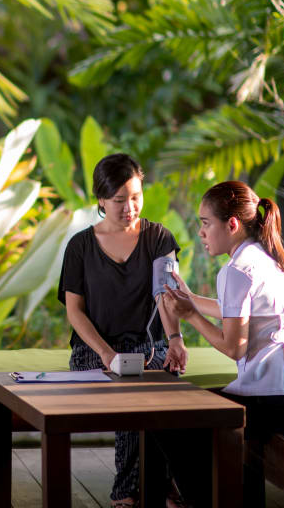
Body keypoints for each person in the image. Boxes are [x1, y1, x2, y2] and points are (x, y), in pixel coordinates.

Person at [161, 180, 284, 507]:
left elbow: (235, 347)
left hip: (273, 401)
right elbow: (240, 312)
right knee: (195, 412)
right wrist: (190, 299)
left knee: (169, 418)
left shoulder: (236, 270)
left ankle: (200, 501)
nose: (201, 232)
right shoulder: (272, 258)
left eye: (206, 224)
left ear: (231, 224)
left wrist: (190, 315)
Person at [57, 153, 187, 508]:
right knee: (129, 385)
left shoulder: (159, 238)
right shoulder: (80, 247)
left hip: (150, 347)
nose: (130, 208)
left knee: (150, 385)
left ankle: (150, 489)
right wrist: (106, 353)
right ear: (100, 199)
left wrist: (175, 341)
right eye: (119, 201)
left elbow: (168, 296)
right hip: (93, 351)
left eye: (135, 197)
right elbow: (74, 311)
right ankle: (138, 491)